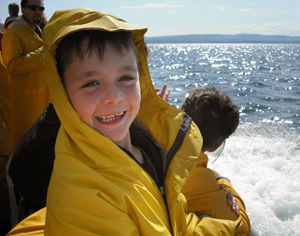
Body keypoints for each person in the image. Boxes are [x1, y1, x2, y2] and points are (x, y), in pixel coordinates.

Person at [7, 8, 249, 236]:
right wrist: (223, 187)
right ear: (62, 92)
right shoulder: (82, 193)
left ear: (141, 80)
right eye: (91, 83)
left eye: (125, 78)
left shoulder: (152, 148)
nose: (113, 97)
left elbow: (167, 220)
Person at [1, 0, 51, 154]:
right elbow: (12, 64)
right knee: (25, 148)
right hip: (26, 103)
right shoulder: (15, 32)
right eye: (33, 8)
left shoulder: (42, 31)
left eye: (41, 8)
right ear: (23, 10)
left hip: (43, 99)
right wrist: (43, 53)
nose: (38, 11)